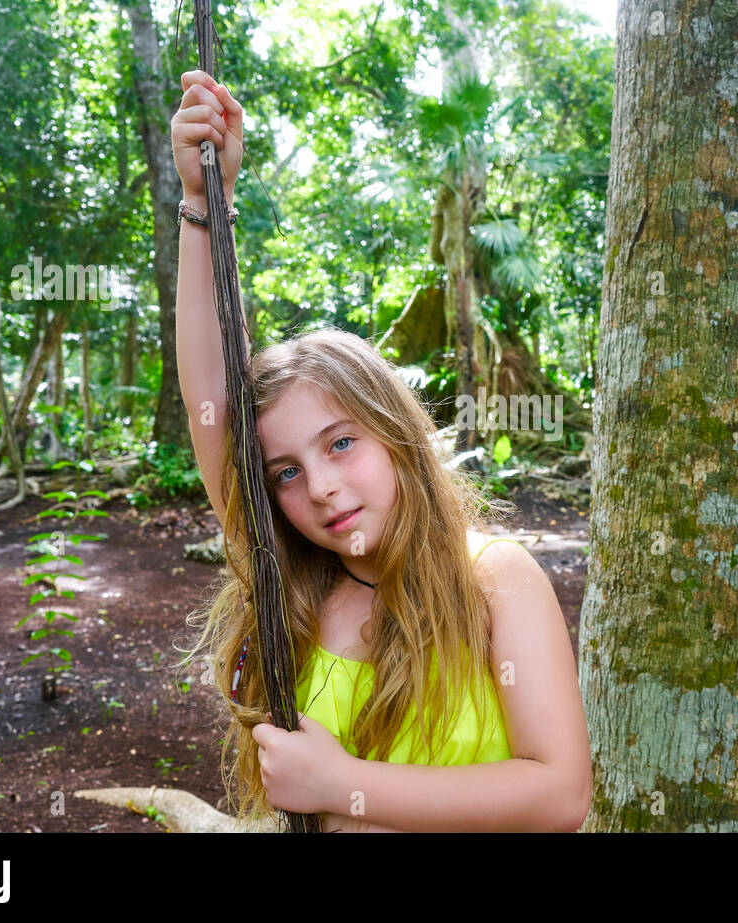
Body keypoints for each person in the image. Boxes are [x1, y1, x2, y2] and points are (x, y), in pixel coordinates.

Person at [170, 70, 591, 833]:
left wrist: (342, 782)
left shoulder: (492, 580)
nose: (322, 486)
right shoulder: (292, 585)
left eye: (341, 443)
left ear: (396, 434)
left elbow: (560, 794)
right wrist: (205, 207)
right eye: (287, 472)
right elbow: (211, 393)